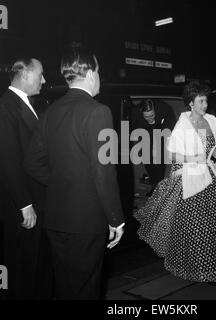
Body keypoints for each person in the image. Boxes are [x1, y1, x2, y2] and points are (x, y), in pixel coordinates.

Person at [24, 48, 125, 299]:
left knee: (66, 288)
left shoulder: (50, 112)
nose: (99, 77)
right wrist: (116, 219)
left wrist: (62, 182)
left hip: (57, 220)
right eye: (99, 72)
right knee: (86, 291)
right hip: (86, 222)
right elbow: (104, 172)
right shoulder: (99, 112)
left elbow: (31, 162)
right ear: (91, 74)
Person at [134, 80, 216, 283]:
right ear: (191, 103)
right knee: (197, 228)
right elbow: (172, 155)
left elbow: (211, 148)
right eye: (201, 101)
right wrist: (192, 159)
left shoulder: (212, 121)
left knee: (215, 226)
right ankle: (197, 268)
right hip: (190, 180)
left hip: (210, 176)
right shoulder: (182, 125)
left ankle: (215, 267)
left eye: (206, 101)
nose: (205, 105)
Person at [0, 58, 51, 299]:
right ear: (25, 74)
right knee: (21, 265)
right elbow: (8, 159)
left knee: (34, 263)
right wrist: (25, 204)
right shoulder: (6, 106)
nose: (43, 79)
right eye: (40, 74)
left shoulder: (25, 104)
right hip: (22, 204)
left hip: (34, 199)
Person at [131, 99, 176, 195]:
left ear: (155, 110)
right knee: (146, 156)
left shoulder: (164, 108)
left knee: (160, 155)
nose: (150, 119)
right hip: (144, 130)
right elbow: (133, 129)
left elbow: (171, 124)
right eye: (146, 117)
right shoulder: (135, 114)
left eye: (152, 115)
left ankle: (158, 184)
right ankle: (154, 180)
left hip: (161, 128)